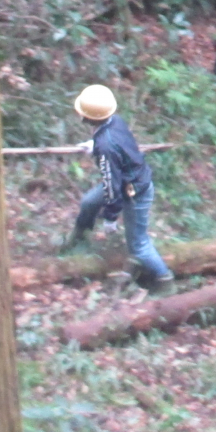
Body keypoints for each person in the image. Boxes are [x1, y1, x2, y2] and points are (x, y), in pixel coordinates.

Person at [59, 84, 175, 289]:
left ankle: (165, 281)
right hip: (126, 180)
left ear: (88, 117)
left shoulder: (106, 146)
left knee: (139, 246)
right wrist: (93, 145)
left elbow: (113, 186)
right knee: (88, 202)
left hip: (133, 190)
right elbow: (119, 145)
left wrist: (111, 216)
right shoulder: (114, 122)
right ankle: (79, 238)